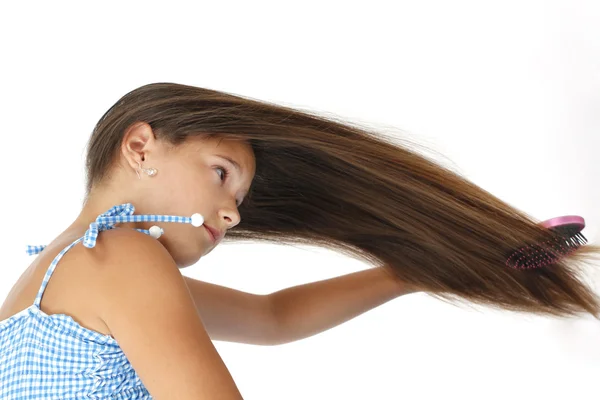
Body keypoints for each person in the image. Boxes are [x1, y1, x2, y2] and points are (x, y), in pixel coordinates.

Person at [1, 82, 598, 399]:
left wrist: (414, 271)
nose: (231, 215)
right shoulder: (122, 259)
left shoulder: (53, 278)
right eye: (221, 174)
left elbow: (272, 316)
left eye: (238, 200)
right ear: (140, 148)